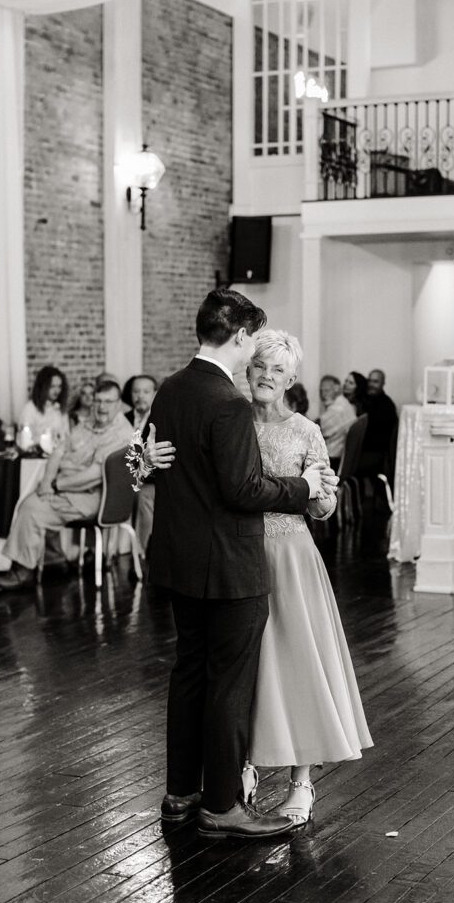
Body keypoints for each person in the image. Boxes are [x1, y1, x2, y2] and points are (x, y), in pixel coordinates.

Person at [142, 288, 335, 840]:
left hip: (181, 562)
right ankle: (222, 805)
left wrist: (143, 462)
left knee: (188, 676)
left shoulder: (172, 389)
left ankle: (180, 793)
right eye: (255, 341)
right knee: (227, 685)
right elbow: (242, 489)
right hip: (228, 565)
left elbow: (166, 465)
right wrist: (301, 487)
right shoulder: (226, 402)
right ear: (241, 336)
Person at [247, 333, 372, 824]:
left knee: (300, 664)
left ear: (290, 381)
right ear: (247, 367)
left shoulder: (305, 431)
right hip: (241, 555)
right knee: (251, 666)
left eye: (278, 370)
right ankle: (246, 765)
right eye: (260, 365)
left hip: (292, 558)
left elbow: (324, 508)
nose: (266, 376)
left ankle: (301, 782)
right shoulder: (232, 423)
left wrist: (323, 495)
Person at [0, 380, 133, 591]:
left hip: (93, 496)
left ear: (119, 403)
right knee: (32, 501)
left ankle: (23, 570)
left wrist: (56, 485)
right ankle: (53, 558)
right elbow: (58, 451)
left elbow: (94, 475)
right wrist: (48, 481)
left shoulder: (122, 434)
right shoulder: (86, 423)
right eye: (98, 401)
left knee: (32, 509)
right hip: (64, 488)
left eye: (108, 402)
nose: (102, 407)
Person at [124, 374, 159, 559]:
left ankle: (138, 552)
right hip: (120, 477)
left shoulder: (161, 420)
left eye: (146, 392)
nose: (140, 396)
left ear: (154, 394)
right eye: (136, 391)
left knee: (144, 495)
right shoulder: (123, 419)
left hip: (149, 479)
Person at [17, 365, 70, 450]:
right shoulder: (30, 409)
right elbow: (24, 442)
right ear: (43, 387)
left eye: (59, 386)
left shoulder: (60, 409)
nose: (57, 390)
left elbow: (66, 436)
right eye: (52, 386)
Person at [358, 368, 398, 477]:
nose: (371, 384)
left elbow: (375, 437)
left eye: (375, 382)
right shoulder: (367, 400)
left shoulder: (386, 405)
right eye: (369, 381)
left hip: (376, 454)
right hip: (369, 452)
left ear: (383, 383)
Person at [318, 374, 356, 472]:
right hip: (342, 456)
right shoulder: (345, 403)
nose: (323, 395)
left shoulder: (336, 410)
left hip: (332, 459)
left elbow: (319, 433)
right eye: (321, 391)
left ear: (336, 389)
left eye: (326, 391)